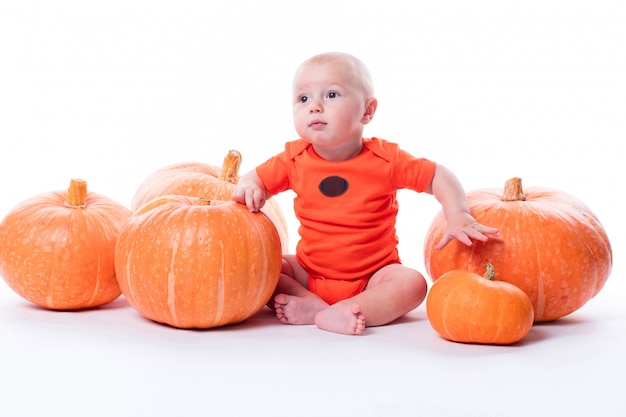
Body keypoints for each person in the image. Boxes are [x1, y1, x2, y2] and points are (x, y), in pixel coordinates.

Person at [232, 52, 499, 335]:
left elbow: (437, 176)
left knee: (413, 284)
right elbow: (257, 178)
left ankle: (357, 308)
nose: (315, 107)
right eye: (303, 99)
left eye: (332, 94)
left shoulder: (386, 160)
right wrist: (250, 185)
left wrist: (458, 215)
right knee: (267, 268)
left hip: (374, 276)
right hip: (309, 273)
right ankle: (313, 305)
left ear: (367, 111)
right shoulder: (292, 159)